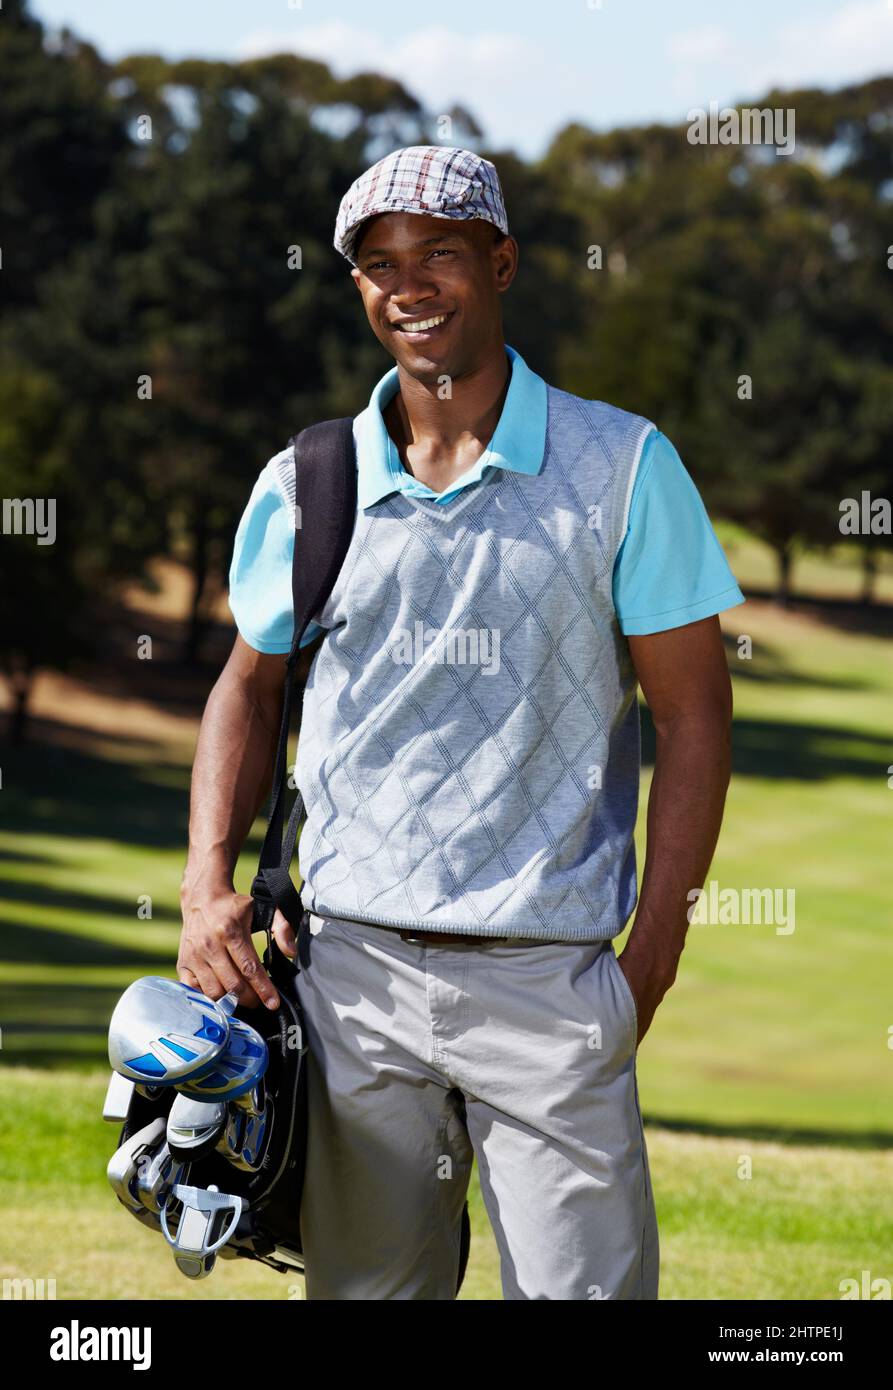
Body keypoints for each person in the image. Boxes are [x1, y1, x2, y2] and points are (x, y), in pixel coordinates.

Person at [178, 145, 745, 1300]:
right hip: (347, 981)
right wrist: (204, 885)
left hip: (551, 986)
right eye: (379, 264)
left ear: (501, 262)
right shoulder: (308, 480)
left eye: (439, 253)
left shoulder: (624, 466)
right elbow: (247, 682)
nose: (408, 284)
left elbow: (694, 719)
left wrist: (649, 960)